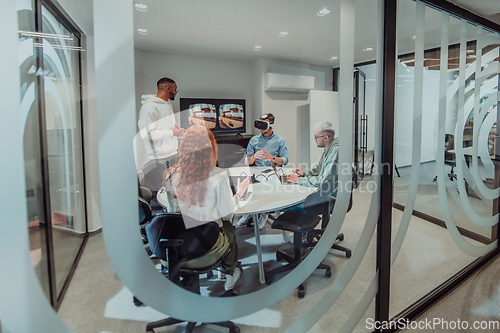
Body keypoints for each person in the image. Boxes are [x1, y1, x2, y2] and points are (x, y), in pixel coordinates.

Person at [162, 125, 250, 291]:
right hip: (207, 247)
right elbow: (228, 213)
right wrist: (239, 193)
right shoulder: (218, 175)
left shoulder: (170, 175)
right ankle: (229, 272)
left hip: (176, 248)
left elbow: (171, 214)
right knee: (229, 228)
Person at [238, 113, 288, 229]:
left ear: (271, 126)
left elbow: (285, 160)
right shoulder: (254, 140)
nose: (261, 129)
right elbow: (247, 161)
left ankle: (265, 214)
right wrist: (254, 156)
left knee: (268, 188)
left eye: (264, 126)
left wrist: (272, 158)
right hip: (255, 171)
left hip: (272, 171)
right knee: (245, 185)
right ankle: (248, 213)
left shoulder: (280, 140)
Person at [137, 77, 185, 193]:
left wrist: (176, 131)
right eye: (175, 89)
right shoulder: (149, 108)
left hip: (171, 153)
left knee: (174, 187)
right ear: (168, 88)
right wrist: (172, 132)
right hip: (158, 158)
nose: (176, 92)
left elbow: (166, 127)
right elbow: (146, 134)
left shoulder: (167, 105)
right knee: (162, 190)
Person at [287, 120, 339, 188]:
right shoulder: (328, 149)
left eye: (316, 136)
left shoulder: (335, 151)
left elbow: (324, 181)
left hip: (329, 195)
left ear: (326, 138)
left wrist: (299, 180)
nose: (314, 139)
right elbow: (319, 170)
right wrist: (304, 173)